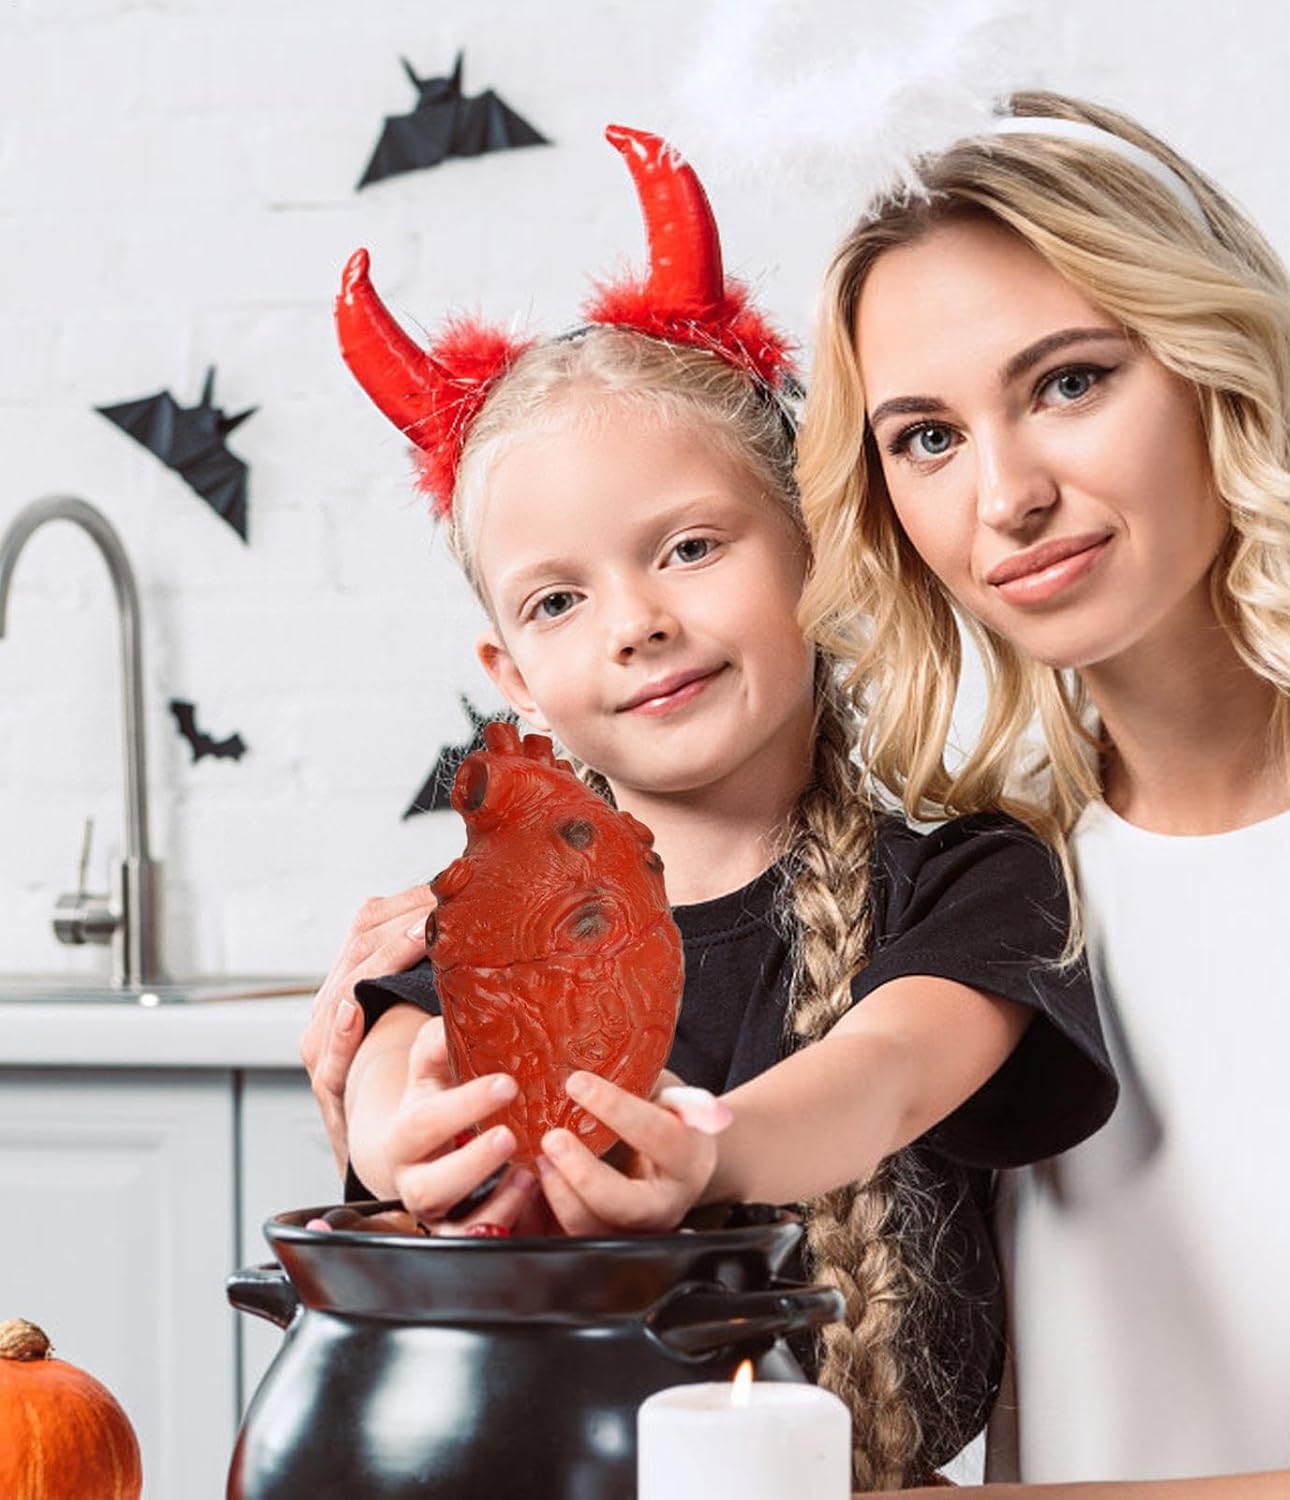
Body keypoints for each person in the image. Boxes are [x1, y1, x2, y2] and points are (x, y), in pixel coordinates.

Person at [308, 124, 1117, 1492]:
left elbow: (889, 1072)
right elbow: (405, 1044)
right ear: (515, 677)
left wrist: (704, 1149)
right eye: (559, 600)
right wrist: (396, 1132)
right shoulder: (500, 922)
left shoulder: (975, 880)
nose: (635, 622)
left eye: (689, 547)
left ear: (817, 551)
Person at [789, 88, 1290, 1494]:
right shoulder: (986, 886)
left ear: (1219, 372)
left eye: (1068, 383)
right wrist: (398, 1024)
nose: (1006, 495)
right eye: (926, 436)